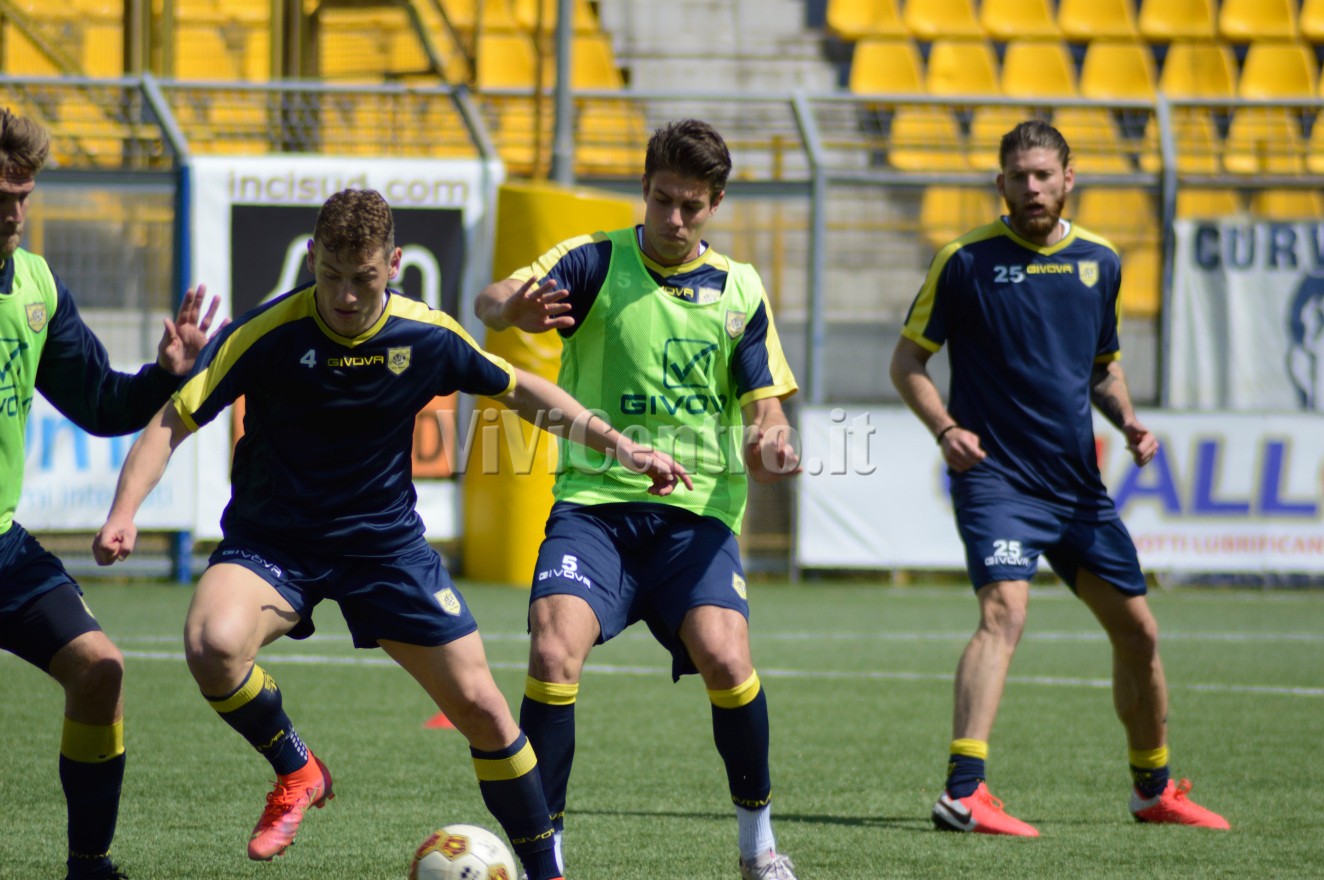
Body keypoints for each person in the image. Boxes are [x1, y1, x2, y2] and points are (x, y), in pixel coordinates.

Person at [91, 187, 687, 880]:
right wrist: (123, 512)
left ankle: (547, 873)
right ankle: (297, 768)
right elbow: (172, 421)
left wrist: (621, 446)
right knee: (210, 644)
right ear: (311, 259)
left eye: (364, 279)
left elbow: (522, 390)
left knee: (486, 711)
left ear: (394, 265)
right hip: (274, 543)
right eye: (331, 276)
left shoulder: (425, 335)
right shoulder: (268, 333)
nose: (345, 296)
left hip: (385, 549)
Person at [475, 118, 801, 880]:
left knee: (727, 658)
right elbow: (492, 299)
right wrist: (513, 311)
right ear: (644, 189)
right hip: (594, 508)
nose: (674, 219)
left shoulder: (739, 289)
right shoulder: (592, 261)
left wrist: (774, 441)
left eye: (691, 205)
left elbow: (766, 407)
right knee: (553, 649)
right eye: (662, 200)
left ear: (715, 204)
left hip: (696, 520)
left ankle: (758, 847)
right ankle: (544, 856)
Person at [889, 119, 1230, 837]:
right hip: (996, 479)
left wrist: (1128, 421)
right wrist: (946, 429)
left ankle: (1153, 789)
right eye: (1019, 177)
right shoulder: (964, 260)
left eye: (1044, 175)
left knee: (1139, 633)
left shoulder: (1101, 261)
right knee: (1004, 613)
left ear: (1068, 179)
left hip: (1076, 489)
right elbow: (907, 362)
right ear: (1001, 184)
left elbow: (1102, 367)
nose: (1032, 188)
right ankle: (964, 793)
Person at [0, 108, 221, 880]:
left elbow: (100, 404)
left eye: (24, 196)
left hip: (2, 549)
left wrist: (166, 374)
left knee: (100, 670)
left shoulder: (35, 285)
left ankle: (89, 868)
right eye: (2, 196)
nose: (14, 213)